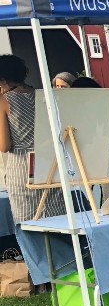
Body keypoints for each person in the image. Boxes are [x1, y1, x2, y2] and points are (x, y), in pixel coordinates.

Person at [1, 55, 66, 223]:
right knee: (57, 217)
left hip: (22, 165)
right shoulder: (43, 95)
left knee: (29, 222)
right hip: (49, 161)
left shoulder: (3, 101)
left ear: (2, 79)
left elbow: (4, 145)